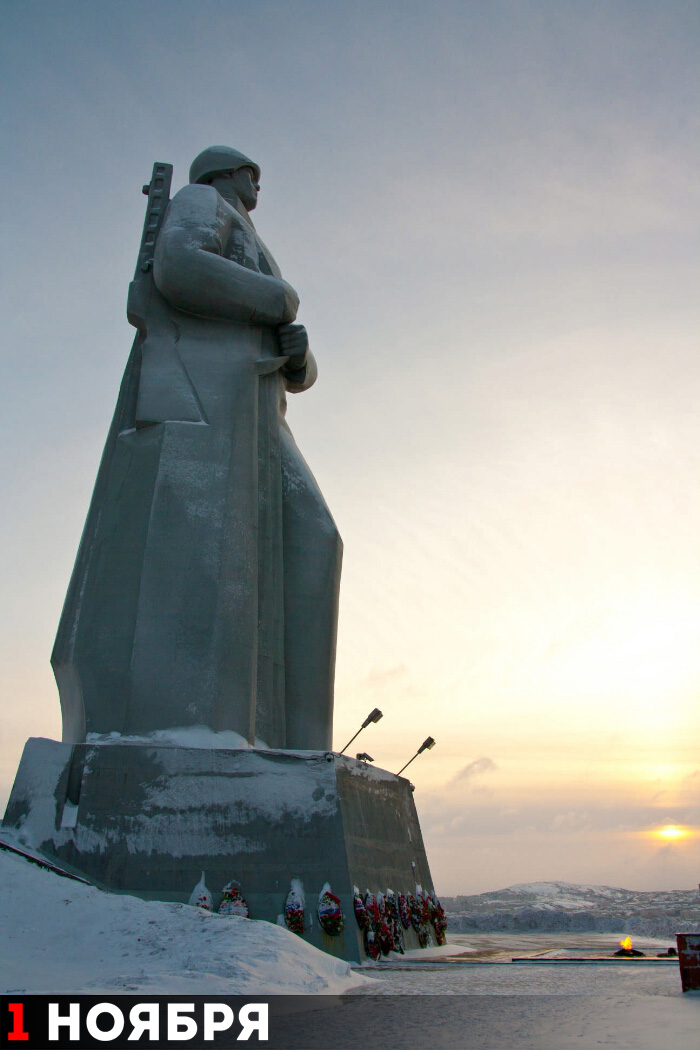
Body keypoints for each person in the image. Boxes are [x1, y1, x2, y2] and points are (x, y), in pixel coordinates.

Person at [52, 146, 342, 750]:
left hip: (260, 408)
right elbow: (180, 266)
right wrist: (279, 298)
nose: (257, 185)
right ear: (226, 173)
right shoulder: (201, 200)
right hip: (206, 396)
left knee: (314, 538)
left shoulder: (249, 234)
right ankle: (204, 729)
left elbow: (293, 358)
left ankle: (303, 746)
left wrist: (300, 356)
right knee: (207, 555)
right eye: (251, 174)